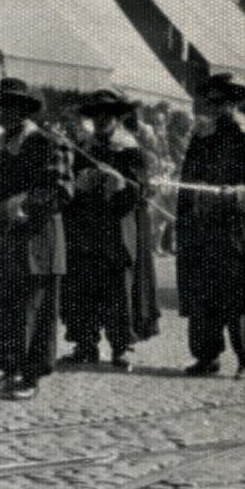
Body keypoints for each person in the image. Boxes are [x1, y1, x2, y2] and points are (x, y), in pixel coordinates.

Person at [174, 73, 245, 381]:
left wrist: (243, 191)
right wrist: (192, 197)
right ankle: (206, 356)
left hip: (240, 229)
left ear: (235, 104)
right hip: (205, 227)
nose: (217, 109)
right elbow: (189, 178)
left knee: (241, 293)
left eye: (223, 103)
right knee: (204, 292)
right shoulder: (202, 137)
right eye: (212, 103)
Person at [0, 78, 71, 399]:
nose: (7, 112)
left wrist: (25, 204)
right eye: (3, 106)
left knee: (34, 307)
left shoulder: (46, 142)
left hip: (38, 236)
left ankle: (30, 377)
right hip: (8, 236)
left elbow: (61, 189)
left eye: (14, 106)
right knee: (8, 305)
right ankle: (8, 369)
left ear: (25, 109)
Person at [60, 89, 155, 372]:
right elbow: (69, 184)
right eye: (96, 115)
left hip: (116, 229)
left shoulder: (130, 150)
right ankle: (85, 344)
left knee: (117, 290)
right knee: (82, 288)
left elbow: (143, 192)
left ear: (116, 118)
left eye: (107, 115)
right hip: (85, 229)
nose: (101, 120)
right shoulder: (83, 148)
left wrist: (123, 185)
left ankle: (120, 346)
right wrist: (79, 182)